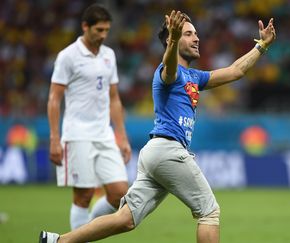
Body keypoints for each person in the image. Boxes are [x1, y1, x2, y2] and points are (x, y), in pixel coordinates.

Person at [40, 10, 276, 243]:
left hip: (155, 153)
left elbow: (236, 71)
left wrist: (261, 46)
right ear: (171, 40)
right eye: (188, 34)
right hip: (168, 151)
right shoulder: (167, 73)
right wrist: (173, 39)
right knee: (209, 211)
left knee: (126, 219)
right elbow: (169, 64)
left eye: (196, 34)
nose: (196, 38)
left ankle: (58, 241)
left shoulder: (194, 77)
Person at [46, 3, 131, 231]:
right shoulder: (68, 56)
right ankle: (79, 236)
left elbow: (114, 98)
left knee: (120, 194)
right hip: (77, 135)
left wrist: (121, 136)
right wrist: (55, 138)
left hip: (104, 134)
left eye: (106, 30)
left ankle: (87, 229)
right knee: (83, 195)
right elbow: (54, 98)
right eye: (99, 30)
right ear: (85, 26)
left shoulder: (109, 55)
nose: (103, 35)